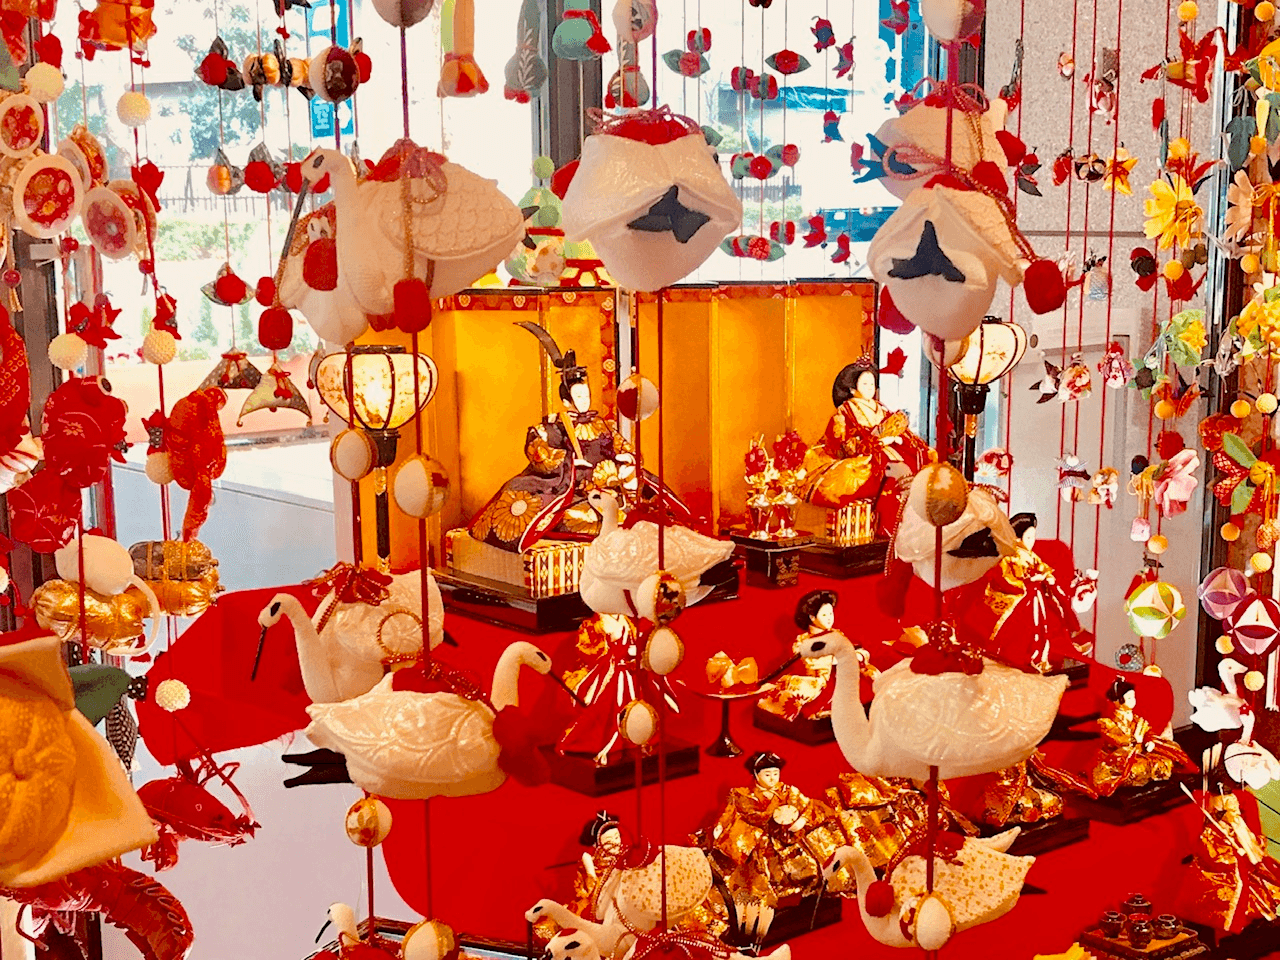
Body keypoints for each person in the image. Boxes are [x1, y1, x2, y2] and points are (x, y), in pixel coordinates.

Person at [469, 322, 691, 553]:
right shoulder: (552, 427)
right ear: (566, 401)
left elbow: (621, 445)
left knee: (644, 507)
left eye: (587, 395)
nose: (585, 400)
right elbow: (540, 454)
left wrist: (627, 457)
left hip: (611, 487)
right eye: (579, 396)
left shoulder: (602, 424)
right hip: (576, 492)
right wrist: (570, 463)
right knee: (579, 516)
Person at [798, 354, 933, 521]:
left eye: (872, 383)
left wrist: (897, 438)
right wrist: (879, 442)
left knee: (916, 461)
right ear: (852, 388)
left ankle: (909, 514)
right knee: (869, 472)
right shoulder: (845, 411)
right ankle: (888, 519)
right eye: (864, 384)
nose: (870, 387)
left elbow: (897, 430)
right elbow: (845, 445)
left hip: (889, 450)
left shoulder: (881, 408)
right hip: (866, 455)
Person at [704, 752, 844, 906]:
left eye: (776, 774)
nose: (772, 778)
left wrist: (802, 820)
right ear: (755, 774)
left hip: (788, 837)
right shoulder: (742, 795)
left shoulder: (787, 791)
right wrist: (721, 826)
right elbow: (729, 812)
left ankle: (808, 891)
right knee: (755, 874)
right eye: (767, 774)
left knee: (808, 863)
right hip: (760, 842)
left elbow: (807, 805)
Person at [958, 512, 1090, 671]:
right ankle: (1031, 653)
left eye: (1033, 537)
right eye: (1028, 537)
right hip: (1012, 597)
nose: (1032, 541)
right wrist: (1028, 583)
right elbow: (1005, 578)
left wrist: (1047, 577)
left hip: (1033, 594)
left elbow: (1041, 567)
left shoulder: (1029, 555)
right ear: (1017, 538)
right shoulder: (1009, 556)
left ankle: (1056, 645)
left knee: (1052, 599)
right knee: (1033, 607)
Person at [557, 613, 678, 765]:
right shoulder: (595, 623)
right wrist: (613, 657)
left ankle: (633, 739)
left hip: (630, 672)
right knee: (605, 707)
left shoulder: (625, 619)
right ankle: (597, 741)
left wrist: (636, 656)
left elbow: (634, 641)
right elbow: (588, 651)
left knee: (635, 704)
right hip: (610, 672)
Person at [758, 589, 877, 722]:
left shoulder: (837, 634)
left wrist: (858, 655)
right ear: (812, 617)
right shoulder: (802, 641)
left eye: (831, 613)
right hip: (820, 680)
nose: (830, 618)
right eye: (824, 614)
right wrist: (835, 659)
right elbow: (810, 662)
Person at [1086, 678, 1192, 796]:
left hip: (1140, 754)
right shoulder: (1106, 723)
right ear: (1118, 700)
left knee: (1164, 762)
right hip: (1118, 759)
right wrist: (1135, 739)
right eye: (1129, 698)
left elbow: (1148, 732)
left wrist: (1149, 741)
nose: (1133, 700)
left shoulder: (1137, 719)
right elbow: (1118, 741)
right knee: (1136, 770)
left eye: (1133, 697)